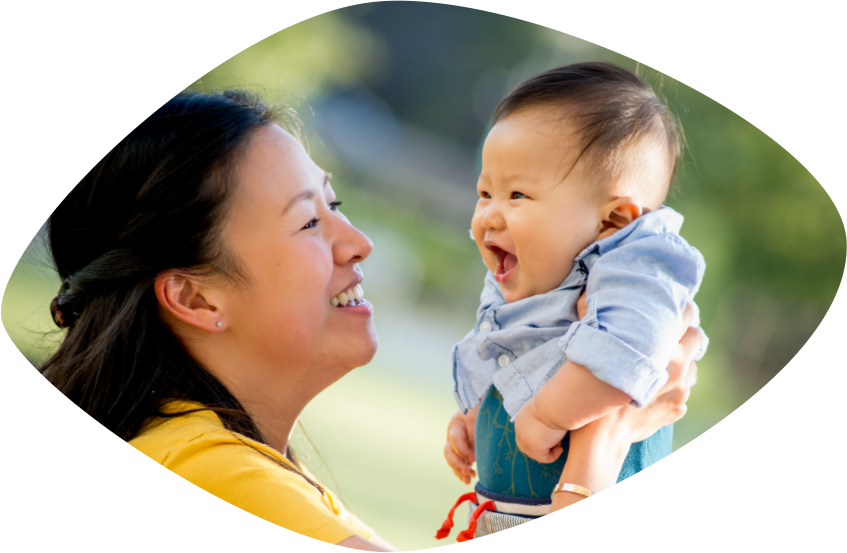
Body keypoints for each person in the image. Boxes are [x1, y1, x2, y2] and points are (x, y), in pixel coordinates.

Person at [41, 89, 699, 552]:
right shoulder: (216, 476)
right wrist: (614, 425)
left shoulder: (200, 450)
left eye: (336, 203)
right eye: (308, 220)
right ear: (196, 297)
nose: (359, 242)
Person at [440, 62, 708, 540]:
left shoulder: (636, 267)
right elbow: (510, 351)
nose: (488, 216)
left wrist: (547, 415)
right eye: (485, 192)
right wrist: (477, 416)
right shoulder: (528, 276)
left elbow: (628, 348)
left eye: (517, 194)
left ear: (613, 222)